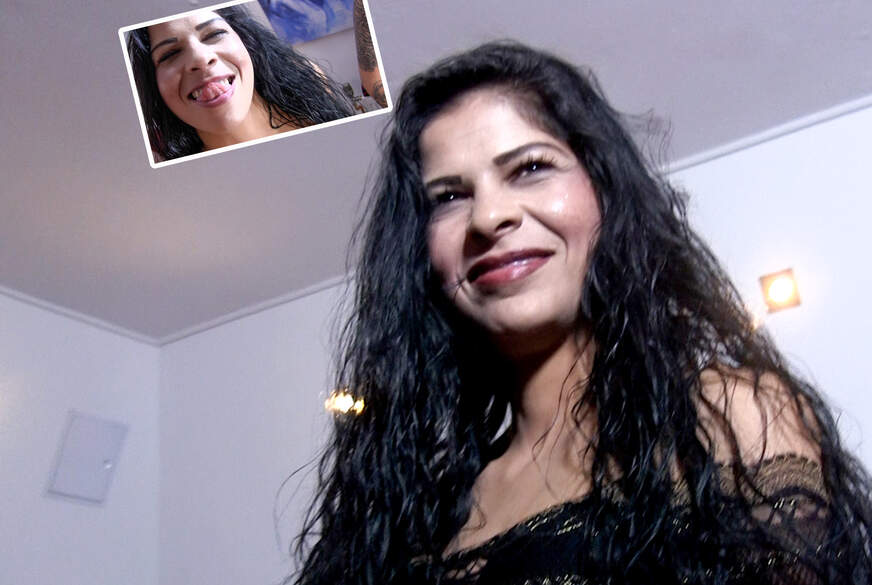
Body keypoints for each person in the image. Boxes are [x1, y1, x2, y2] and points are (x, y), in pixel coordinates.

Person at [292, 42, 872, 585]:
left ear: (604, 191)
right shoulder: (418, 513)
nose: (488, 217)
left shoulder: (722, 415)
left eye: (530, 168)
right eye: (448, 197)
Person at [127, 4, 354, 161]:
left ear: (245, 40)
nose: (200, 58)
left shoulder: (308, 79)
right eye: (169, 54)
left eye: (213, 34)